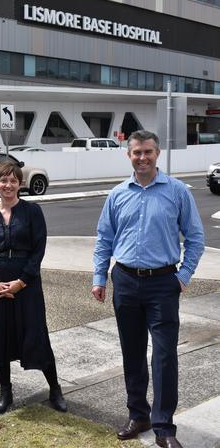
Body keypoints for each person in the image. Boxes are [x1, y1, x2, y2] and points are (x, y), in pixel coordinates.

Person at [92, 130, 204, 448]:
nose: (142, 157)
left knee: (165, 356)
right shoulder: (117, 195)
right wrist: (99, 277)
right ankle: (137, 414)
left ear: (157, 154)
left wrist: (183, 276)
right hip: (125, 281)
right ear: (129, 155)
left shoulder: (177, 192)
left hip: (163, 283)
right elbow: (104, 239)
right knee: (132, 352)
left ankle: (164, 428)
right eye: (137, 152)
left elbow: (195, 238)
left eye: (148, 152)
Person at [0, 162, 66, 415]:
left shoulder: (32, 211)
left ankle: (55, 388)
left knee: (36, 334)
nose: (7, 185)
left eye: (13, 181)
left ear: (20, 184)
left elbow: (38, 250)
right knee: (0, 337)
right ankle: (6, 391)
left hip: (26, 282)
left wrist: (21, 282)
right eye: (3, 180)